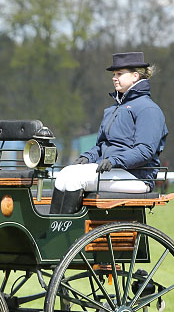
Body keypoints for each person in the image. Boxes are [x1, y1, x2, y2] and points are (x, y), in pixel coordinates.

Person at [50, 52, 167, 214]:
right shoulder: (113, 109)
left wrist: (114, 160)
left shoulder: (148, 109)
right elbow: (101, 146)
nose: (114, 78)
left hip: (137, 176)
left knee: (75, 180)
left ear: (135, 76)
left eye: (119, 74)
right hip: (113, 170)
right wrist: (87, 157)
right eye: (113, 74)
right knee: (64, 174)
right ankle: (56, 229)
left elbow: (145, 151)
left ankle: (63, 231)